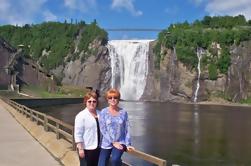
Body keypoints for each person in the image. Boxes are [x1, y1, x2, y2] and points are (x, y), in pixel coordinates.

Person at [98, 88, 134, 166]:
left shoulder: (123, 112)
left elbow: (127, 128)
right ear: (107, 99)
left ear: (118, 99)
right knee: (101, 164)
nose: (113, 99)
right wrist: (113, 142)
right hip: (106, 142)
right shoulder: (103, 112)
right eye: (110, 97)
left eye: (115, 97)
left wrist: (128, 144)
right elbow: (103, 129)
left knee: (115, 160)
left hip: (120, 141)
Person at [74, 91, 100, 166]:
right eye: (89, 101)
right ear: (85, 102)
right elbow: (78, 133)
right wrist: (80, 148)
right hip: (86, 148)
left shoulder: (100, 114)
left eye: (94, 101)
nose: (92, 103)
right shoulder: (81, 115)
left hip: (98, 148)